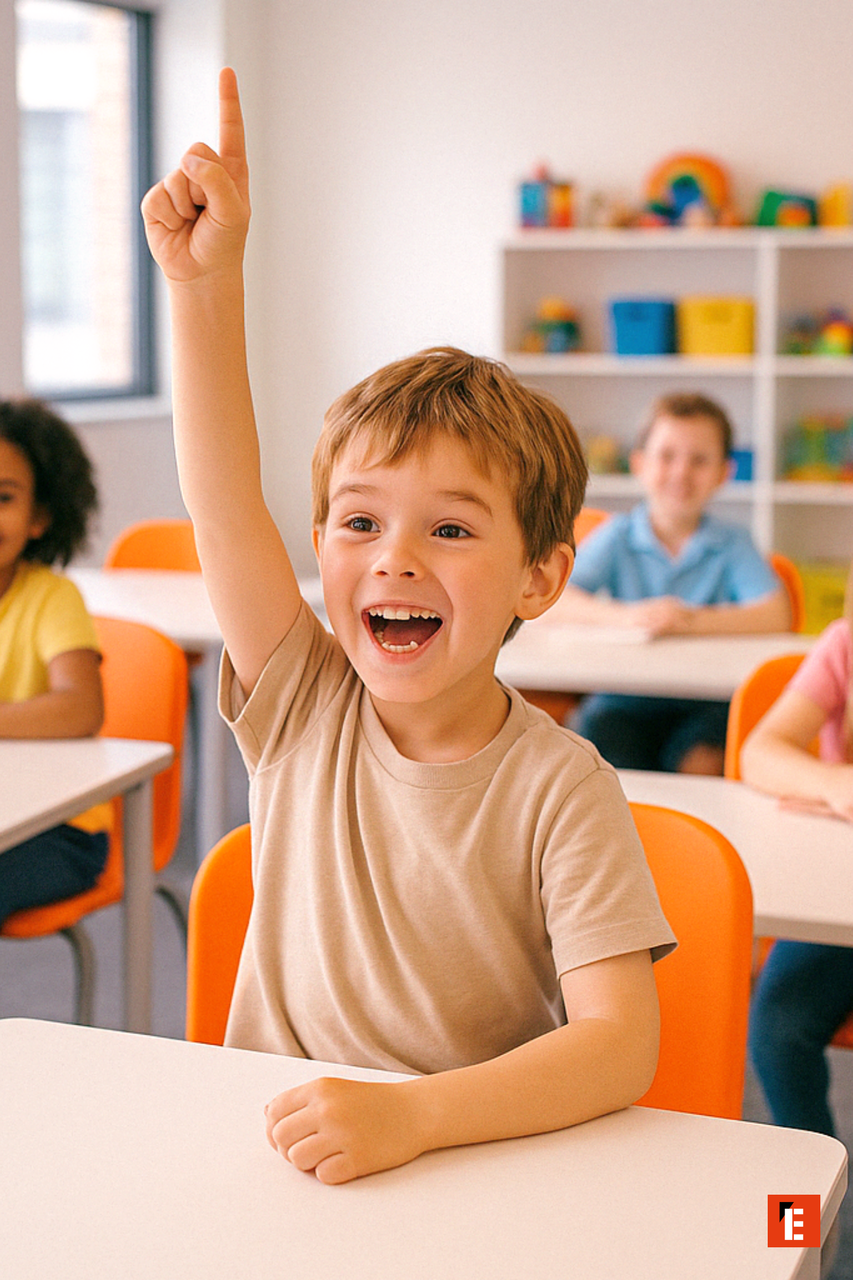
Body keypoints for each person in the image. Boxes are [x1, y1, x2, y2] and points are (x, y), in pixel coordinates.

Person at [141, 68, 675, 1186]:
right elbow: (222, 501)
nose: (392, 556)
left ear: (539, 577)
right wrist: (204, 284)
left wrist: (414, 1118)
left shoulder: (562, 784)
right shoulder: (304, 702)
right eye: (360, 521)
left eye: (448, 529)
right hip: (270, 1148)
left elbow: (620, 1041)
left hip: (464, 1157)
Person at [557, 392, 791, 774]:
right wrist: (628, 617)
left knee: (703, 761)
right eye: (667, 456)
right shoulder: (617, 534)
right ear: (639, 465)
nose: (681, 472)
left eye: (699, 460)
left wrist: (688, 620)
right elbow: (555, 597)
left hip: (707, 701)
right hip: (625, 698)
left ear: (723, 473)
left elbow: (776, 614)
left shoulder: (733, 543)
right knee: (601, 760)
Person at [742, 560, 853, 1137]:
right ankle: (805, 1220)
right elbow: (760, 753)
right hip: (838, 901)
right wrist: (835, 784)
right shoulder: (845, 644)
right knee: (778, 1028)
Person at [0, 397, 108, 924]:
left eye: (2, 497)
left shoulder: (51, 597)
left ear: (41, 516)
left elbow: (81, 707)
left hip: (62, 829)